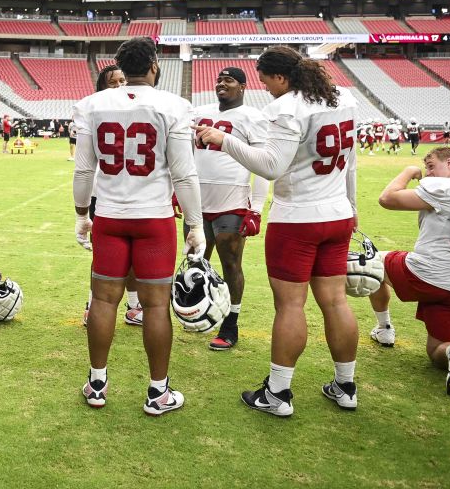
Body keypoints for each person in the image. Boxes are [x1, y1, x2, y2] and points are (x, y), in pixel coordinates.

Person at [194, 46, 359, 417]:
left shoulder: (285, 108)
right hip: (337, 212)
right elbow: (351, 161)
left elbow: (270, 166)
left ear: (281, 78)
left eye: (266, 80)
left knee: (290, 305)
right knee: (335, 301)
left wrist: (225, 141)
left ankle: (278, 393)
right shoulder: (343, 98)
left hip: (299, 217)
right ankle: (346, 385)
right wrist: (352, 205)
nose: (265, 88)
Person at [73, 37, 204, 416]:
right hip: (154, 217)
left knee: (102, 300)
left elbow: (84, 169)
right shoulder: (174, 105)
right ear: (154, 66)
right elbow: (184, 172)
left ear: (121, 65)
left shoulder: (92, 105)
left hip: (110, 215)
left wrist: (82, 213)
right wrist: (194, 224)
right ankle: (157, 392)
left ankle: (97, 383)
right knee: (156, 305)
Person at [372, 147, 450, 397]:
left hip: (426, 273)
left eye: (431, 166)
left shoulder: (445, 187)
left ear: (449, 163)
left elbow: (387, 198)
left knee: (371, 264)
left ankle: (384, 328)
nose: (427, 173)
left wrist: (409, 171)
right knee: (436, 350)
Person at [188, 67, 270, 351]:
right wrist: (181, 192)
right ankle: (198, 310)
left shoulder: (254, 118)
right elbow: (187, 155)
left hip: (232, 201)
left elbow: (261, 165)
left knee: (230, 263)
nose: (222, 83)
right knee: (196, 260)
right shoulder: (199, 112)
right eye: (219, 79)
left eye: (229, 80)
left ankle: (231, 322)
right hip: (198, 199)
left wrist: (256, 208)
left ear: (243, 87)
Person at [80, 65, 144, 328]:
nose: (119, 85)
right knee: (103, 258)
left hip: (135, 193)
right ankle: (92, 304)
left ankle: (132, 305)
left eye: (123, 80)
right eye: (113, 82)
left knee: (133, 257)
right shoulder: (94, 113)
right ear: (102, 87)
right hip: (103, 193)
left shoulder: (143, 110)